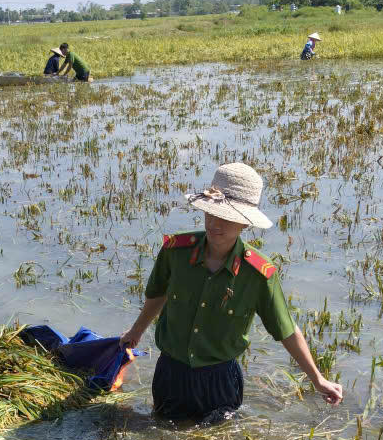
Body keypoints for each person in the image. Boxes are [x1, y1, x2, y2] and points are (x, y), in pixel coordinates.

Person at [119, 161, 343, 422]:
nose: (214, 223)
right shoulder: (175, 251)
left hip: (220, 379)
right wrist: (136, 331)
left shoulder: (259, 274)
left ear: (245, 224)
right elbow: (158, 295)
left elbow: (286, 329)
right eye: (210, 213)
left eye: (227, 218)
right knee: (163, 439)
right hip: (171, 373)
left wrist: (318, 379)